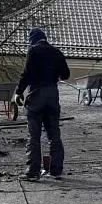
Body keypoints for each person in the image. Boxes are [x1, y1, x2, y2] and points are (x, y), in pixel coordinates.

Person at [15, 27, 70, 181]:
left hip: (37, 96)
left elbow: (26, 74)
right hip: (53, 95)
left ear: (32, 40)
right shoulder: (57, 52)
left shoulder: (33, 51)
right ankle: (56, 170)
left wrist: (18, 92)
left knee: (34, 136)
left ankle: (33, 172)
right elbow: (66, 74)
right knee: (54, 135)